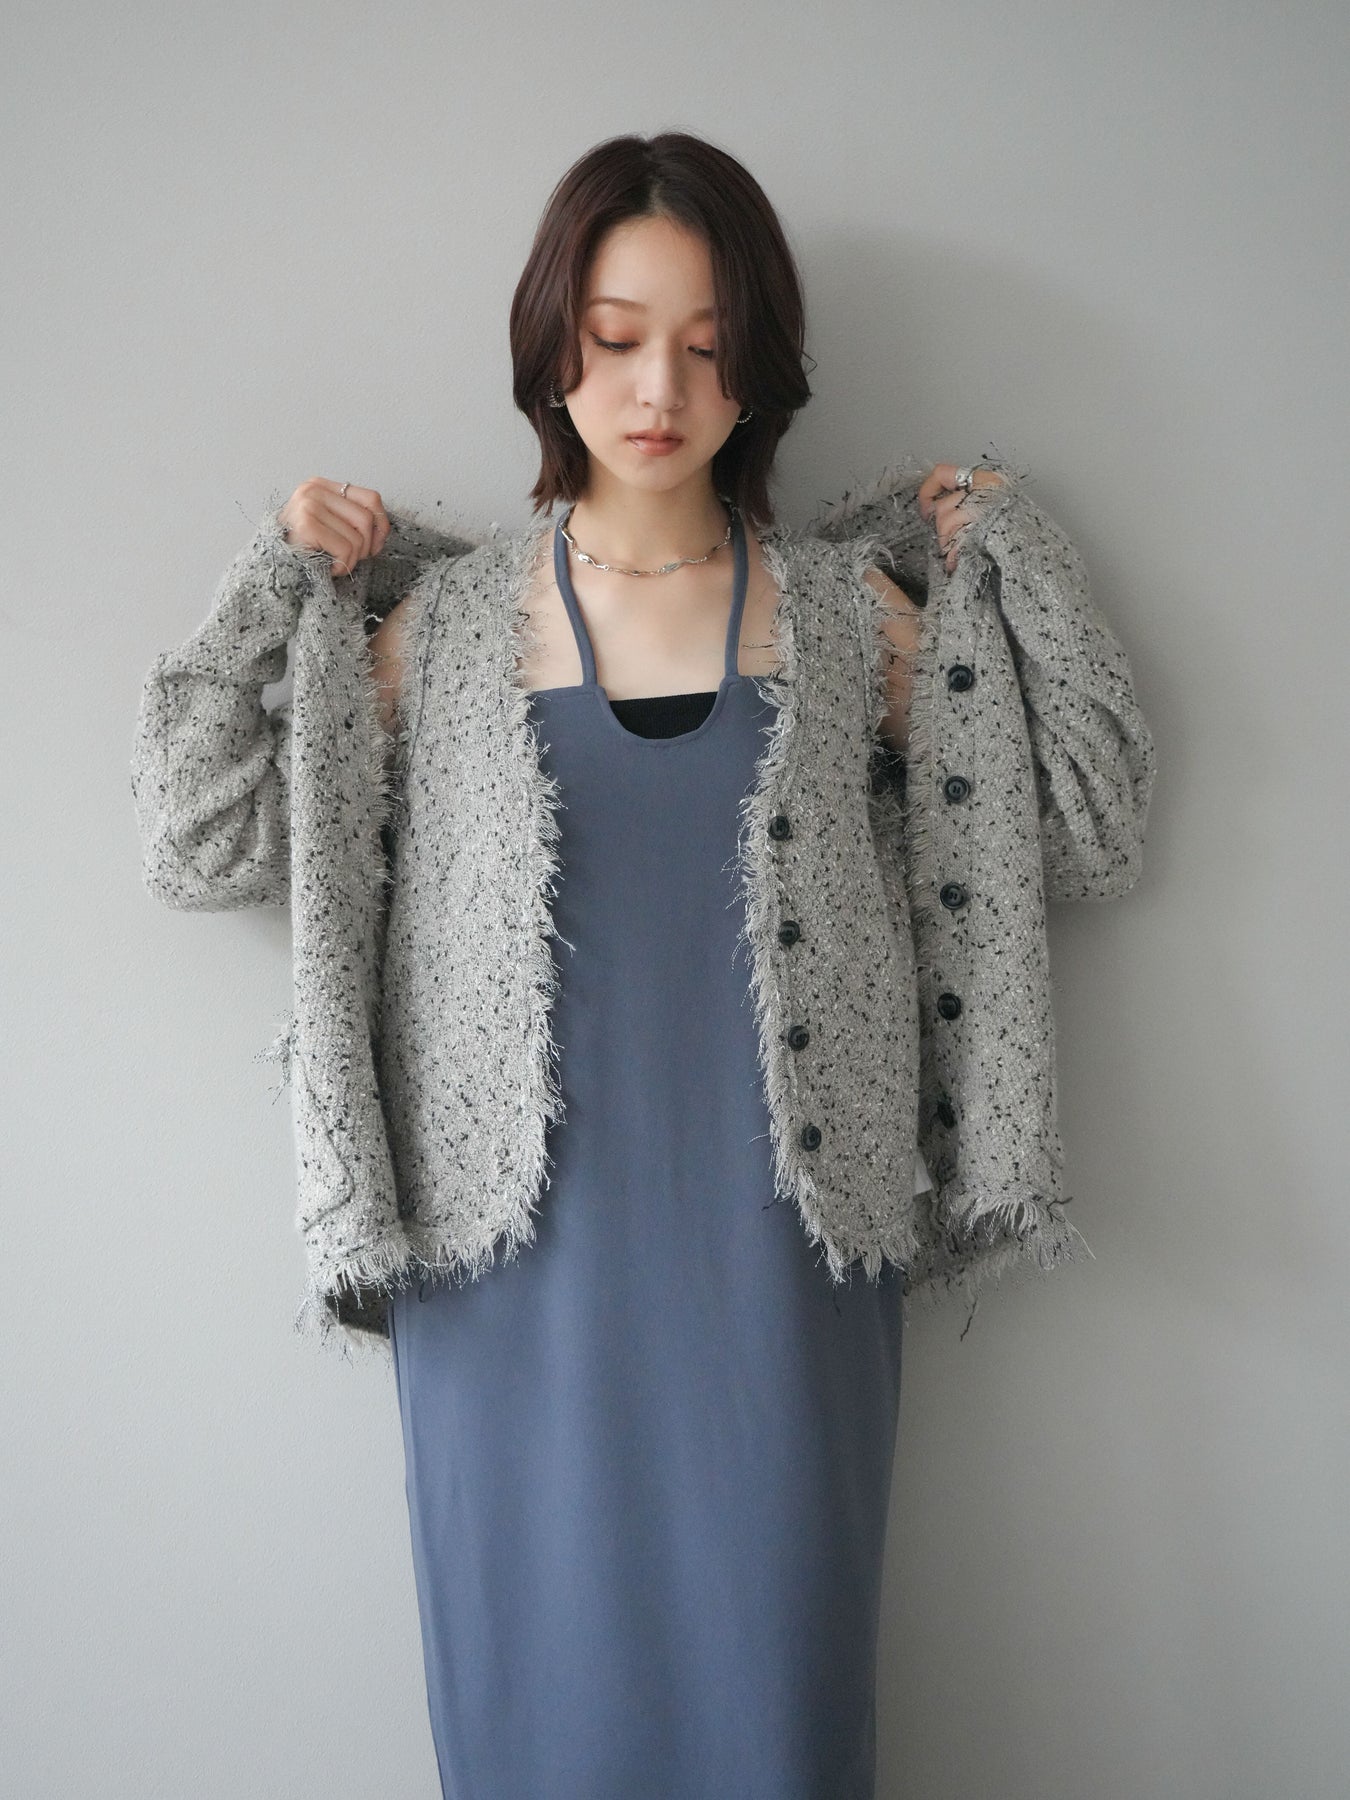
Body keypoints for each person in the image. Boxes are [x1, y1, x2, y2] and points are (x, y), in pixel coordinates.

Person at [131, 131, 1155, 1800]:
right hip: (504, 1274)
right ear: (552, 348)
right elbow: (195, 835)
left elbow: (1092, 821)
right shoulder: (437, 632)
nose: (658, 388)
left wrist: (1009, 553)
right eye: (614, 338)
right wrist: (279, 576)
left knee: (780, 1728)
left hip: (785, 1268)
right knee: (535, 1732)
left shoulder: (851, 618)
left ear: (762, 364)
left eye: (705, 342)